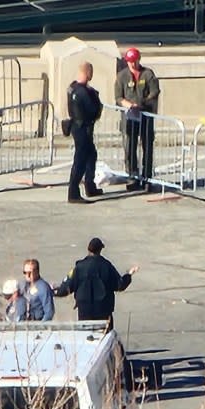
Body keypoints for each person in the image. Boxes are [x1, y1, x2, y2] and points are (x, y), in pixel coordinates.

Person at [54, 237, 139, 328]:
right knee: (105, 335)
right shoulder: (107, 266)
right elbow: (120, 285)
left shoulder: (79, 267)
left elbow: (67, 287)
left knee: (85, 336)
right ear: (100, 250)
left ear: (88, 249)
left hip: (84, 311)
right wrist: (129, 274)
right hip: (103, 310)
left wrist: (53, 291)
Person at [114, 47, 161, 191]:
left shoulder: (148, 74)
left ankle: (147, 178)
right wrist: (127, 104)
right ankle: (132, 176)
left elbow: (155, 92)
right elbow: (118, 97)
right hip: (129, 117)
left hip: (145, 115)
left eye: (134, 61)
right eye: (129, 62)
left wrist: (142, 104)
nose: (132, 64)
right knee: (130, 147)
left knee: (147, 147)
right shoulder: (122, 76)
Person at [67, 61, 104, 203]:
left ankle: (90, 184)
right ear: (88, 72)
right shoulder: (83, 92)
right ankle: (73, 192)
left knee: (91, 155)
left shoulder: (72, 88)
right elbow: (93, 110)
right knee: (80, 160)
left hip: (78, 126)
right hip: (82, 127)